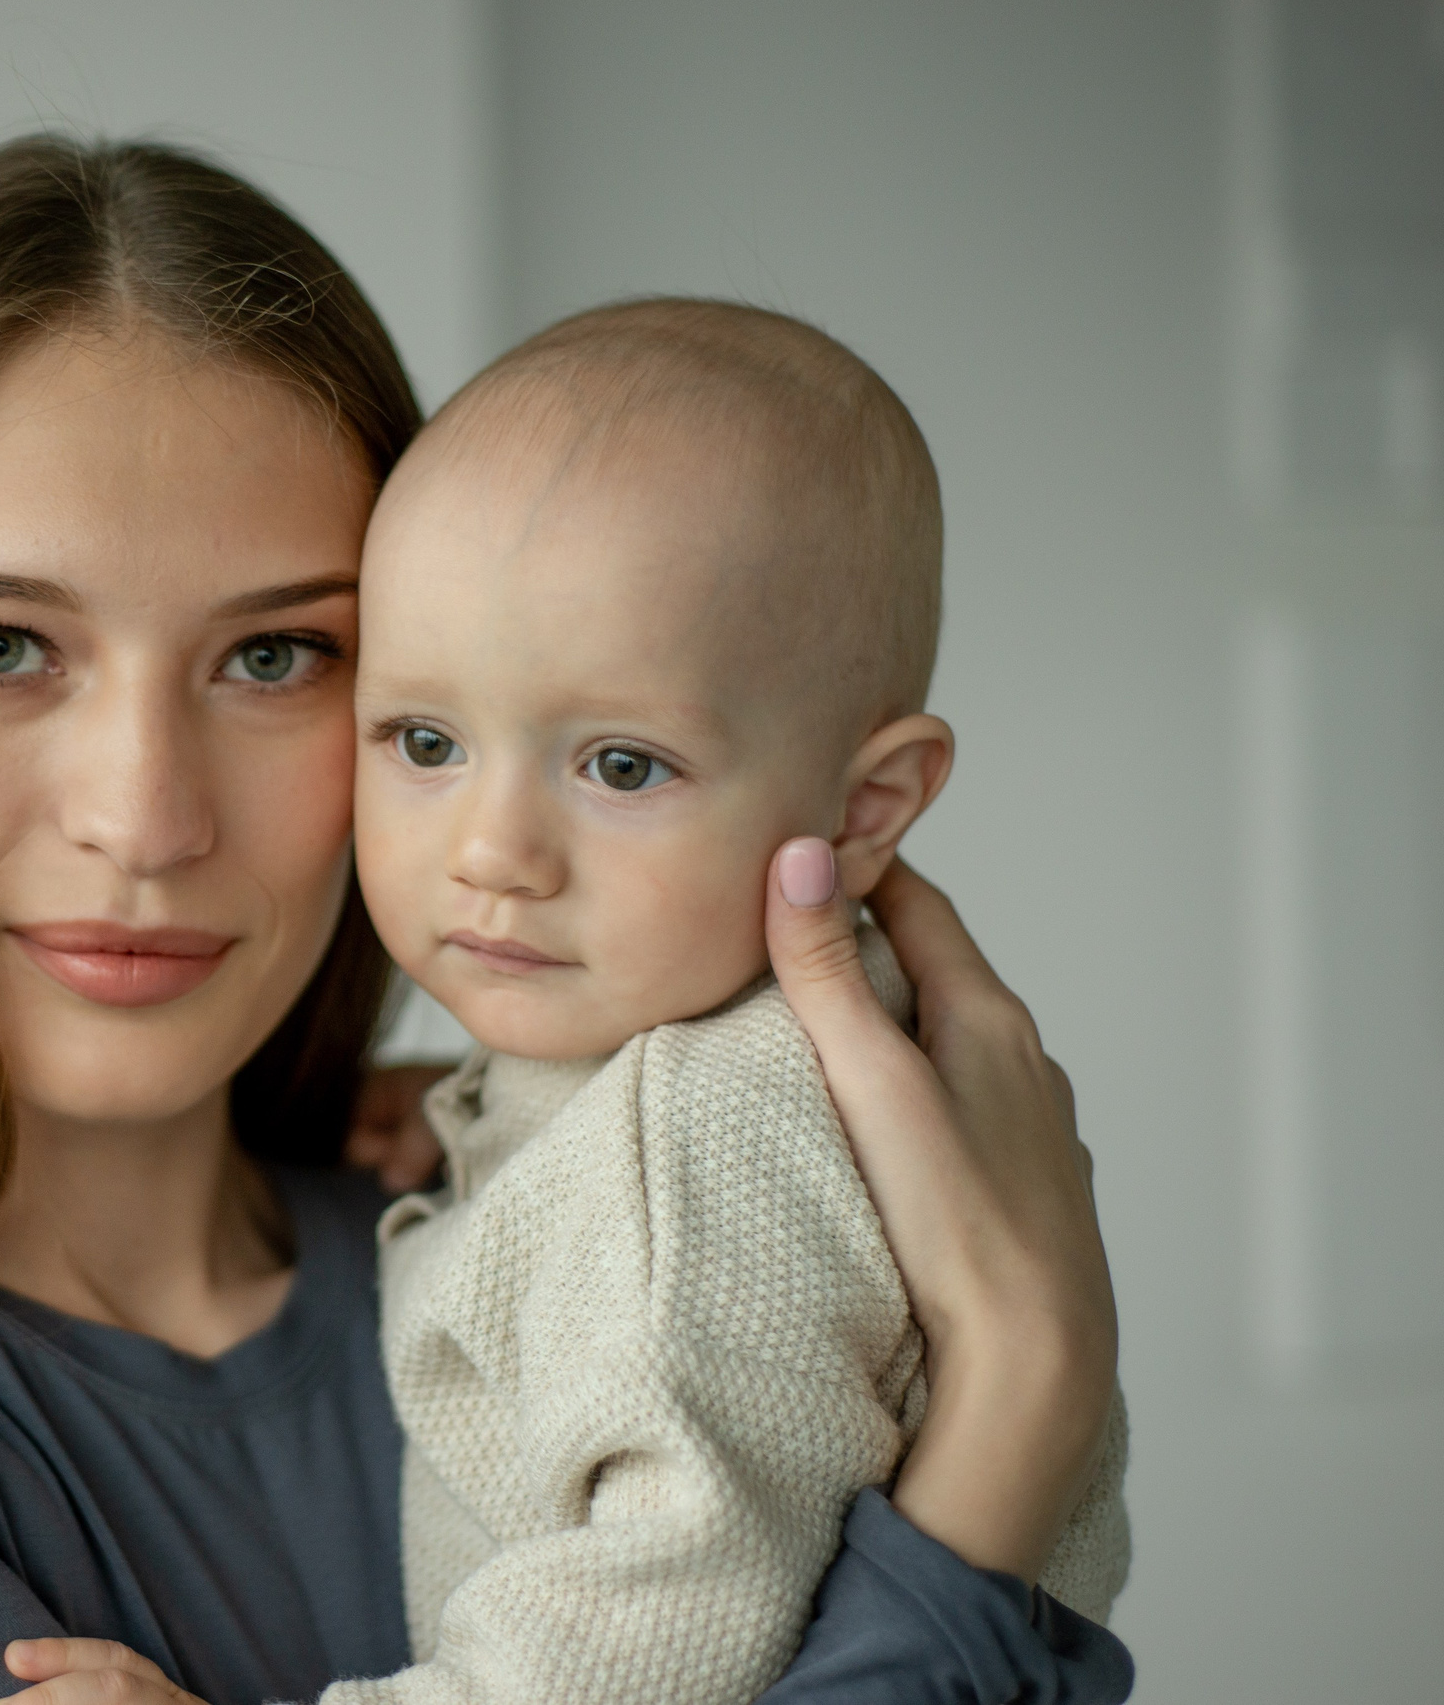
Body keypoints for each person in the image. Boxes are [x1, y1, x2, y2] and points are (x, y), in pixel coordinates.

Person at [0, 138, 1131, 1705]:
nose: (144, 816)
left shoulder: (577, 1237)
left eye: (277, 655)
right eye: (2, 645)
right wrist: (1010, 1428)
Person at [293, 299, 1131, 1705]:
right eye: (425, 740)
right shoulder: (692, 1093)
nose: (493, 849)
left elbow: (664, 1623)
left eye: (621, 766)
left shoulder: (695, 1157)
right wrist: (476, 1110)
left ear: (867, 808)